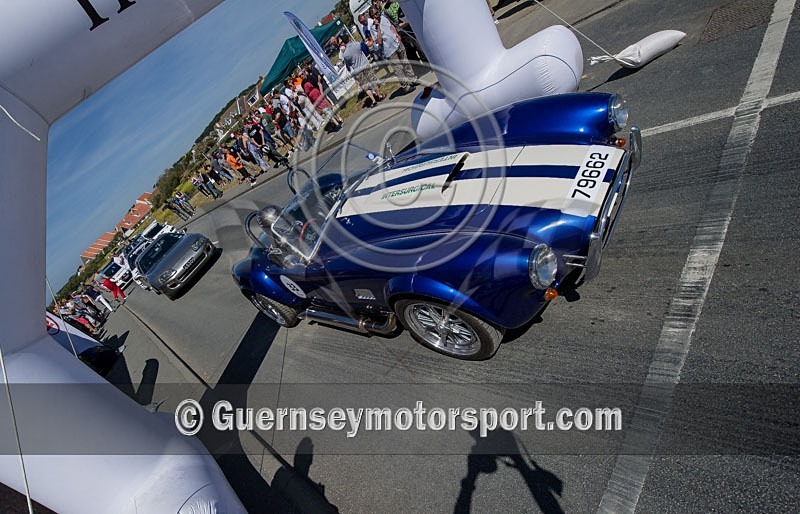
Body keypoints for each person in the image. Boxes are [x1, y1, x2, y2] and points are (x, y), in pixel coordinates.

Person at [371, 7, 416, 93]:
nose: (377, 15)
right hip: (389, 50)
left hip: (397, 43)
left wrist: (397, 35)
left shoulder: (384, 17)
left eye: (377, 13)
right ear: (372, 17)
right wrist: (378, 26)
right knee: (398, 68)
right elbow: (379, 41)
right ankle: (405, 86)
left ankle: (412, 79)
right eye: (375, 14)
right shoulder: (373, 28)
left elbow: (391, 26)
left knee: (405, 62)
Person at [339, 32, 384, 107]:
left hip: (357, 70)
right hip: (365, 65)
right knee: (373, 81)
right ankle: (379, 95)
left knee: (365, 87)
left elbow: (348, 64)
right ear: (349, 38)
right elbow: (362, 48)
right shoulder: (356, 44)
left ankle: (373, 100)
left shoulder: (345, 54)